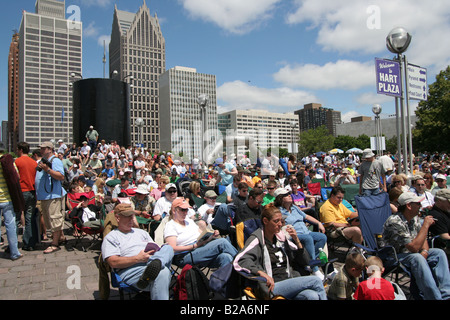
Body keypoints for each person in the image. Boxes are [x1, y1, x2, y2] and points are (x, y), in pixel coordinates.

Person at [233, 203, 327, 300]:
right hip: (272, 286)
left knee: (312, 296)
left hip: (289, 281)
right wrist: (260, 272)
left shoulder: (280, 238)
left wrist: (296, 240)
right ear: (265, 221)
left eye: (281, 221)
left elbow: (306, 261)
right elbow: (240, 260)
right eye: (276, 221)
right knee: (316, 281)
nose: (280, 224)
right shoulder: (257, 240)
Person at [383, 192, 450, 300]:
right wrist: (426, 225)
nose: (421, 206)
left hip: (412, 255)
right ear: (409, 206)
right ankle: (434, 298)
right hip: (394, 256)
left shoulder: (414, 219)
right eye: (418, 204)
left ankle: (447, 295)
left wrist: (424, 252)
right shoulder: (395, 222)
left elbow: (423, 242)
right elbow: (413, 247)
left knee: (438, 253)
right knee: (417, 257)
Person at [101, 203, 174, 299]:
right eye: (127, 216)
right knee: (163, 272)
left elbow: (155, 247)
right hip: (131, 269)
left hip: (150, 263)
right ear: (117, 218)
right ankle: (157, 265)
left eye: (132, 215)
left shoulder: (142, 233)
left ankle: (157, 263)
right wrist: (137, 259)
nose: (131, 218)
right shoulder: (112, 237)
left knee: (168, 248)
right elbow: (113, 262)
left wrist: (157, 252)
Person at [164, 198, 238, 269]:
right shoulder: (170, 225)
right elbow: (172, 248)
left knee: (226, 257)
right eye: (183, 210)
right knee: (222, 242)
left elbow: (201, 235)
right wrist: (193, 246)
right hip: (185, 256)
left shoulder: (189, 221)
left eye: (186, 210)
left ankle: (227, 281)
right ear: (174, 210)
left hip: (200, 250)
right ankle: (244, 263)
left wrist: (211, 236)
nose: (185, 212)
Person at [274, 188, 327, 280]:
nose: (289, 195)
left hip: (306, 232)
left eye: (289, 194)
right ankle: (315, 269)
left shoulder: (294, 208)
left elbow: (306, 216)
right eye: (286, 195)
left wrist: (318, 223)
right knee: (308, 238)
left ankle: (309, 261)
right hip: (293, 235)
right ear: (280, 198)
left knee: (322, 237)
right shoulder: (279, 212)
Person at [35, 141, 67, 254]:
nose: (41, 150)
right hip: (45, 195)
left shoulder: (55, 161)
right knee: (50, 220)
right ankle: (60, 237)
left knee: (55, 219)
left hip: (53, 195)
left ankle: (55, 243)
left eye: (43, 148)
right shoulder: (43, 161)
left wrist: (47, 169)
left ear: (49, 149)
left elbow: (61, 176)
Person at [0, 147, 23, 260]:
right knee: (10, 225)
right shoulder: (7, 162)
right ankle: (14, 253)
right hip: (6, 198)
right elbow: (17, 177)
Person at [15, 142, 39, 251]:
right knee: (29, 218)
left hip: (21, 191)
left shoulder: (17, 161)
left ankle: (13, 244)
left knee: (16, 218)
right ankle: (29, 243)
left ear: (20, 150)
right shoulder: (34, 162)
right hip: (32, 191)